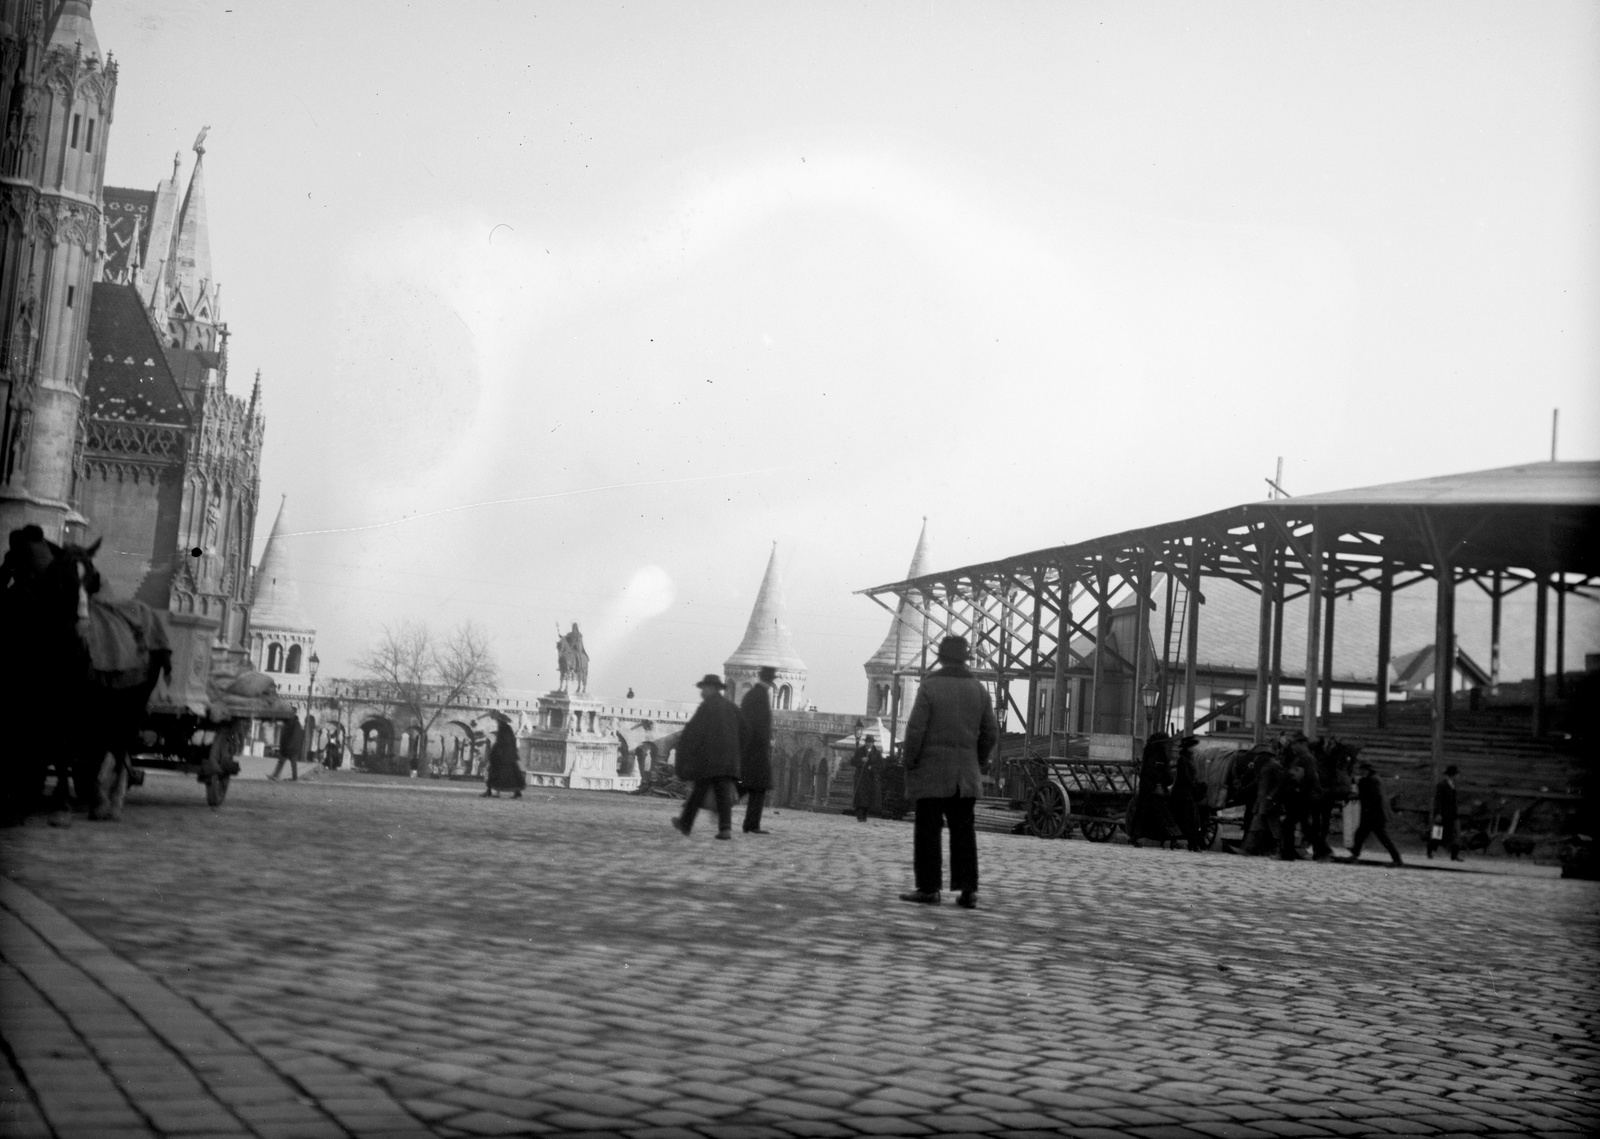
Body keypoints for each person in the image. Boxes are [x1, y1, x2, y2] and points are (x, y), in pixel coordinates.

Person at [899, 636, 998, 909]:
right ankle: (968, 891)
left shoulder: (929, 687)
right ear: (964, 659)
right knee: (964, 831)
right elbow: (990, 732)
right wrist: (976, 759)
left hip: (931, 773)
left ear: (941, 658)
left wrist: (909, 761)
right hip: (965, 776)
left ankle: (929, 889)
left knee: (928, 830)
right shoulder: (979, 690)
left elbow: (916, 729)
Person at [671, 674, 748, 840]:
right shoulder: (732, 708)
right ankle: (724, 828)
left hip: (710, 760)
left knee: (699, 792)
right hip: (729, 762)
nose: (702, 693)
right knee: (722, 794)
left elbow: (693, 733)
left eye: (704, 689)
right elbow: (745, 733)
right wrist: (736, 754)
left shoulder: (706, 707)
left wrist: (688, 756)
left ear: (712, 689)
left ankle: (685, 823)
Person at [1128, 731, 1183, 848]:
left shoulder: (1150, 756)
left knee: (1142, 815)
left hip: (1147, 790)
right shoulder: (1159, 758)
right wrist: (1167, 778)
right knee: (1165, 817)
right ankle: (1172, 839)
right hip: (1155, 792)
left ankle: (1134, 836)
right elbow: (1160, 774)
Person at [738, 666, 776, 834]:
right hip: (757, 750)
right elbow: (759, 725)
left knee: (751, 786)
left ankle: (751, 824)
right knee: (757, 787)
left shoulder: (752, 694)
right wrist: (766, 742)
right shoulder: (760, 696)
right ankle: (752, 824)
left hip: (750, 749)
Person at [1345, 762, 1403, 866]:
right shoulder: (1373, 778)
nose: (1360, 771)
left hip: (1374, 815)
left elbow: (1374, 797)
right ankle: (1354, 855)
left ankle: (1397, 859)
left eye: (1362, 769)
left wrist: (1361, 801)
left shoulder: (1371, 780)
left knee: (1381, 838)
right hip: (1373, 814)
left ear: (1366, 770)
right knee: (1360, 835)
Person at [1241, 744, 1285, 856]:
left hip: (1271, 803)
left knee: (1275, 829)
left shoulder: (1275, 766)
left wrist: (1271, 795)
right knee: (1255, 827)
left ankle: (1282, 850)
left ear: (1266, 755)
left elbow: (1280, 783)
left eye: (1259, 755)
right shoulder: (1264, 766)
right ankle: (1248, 849)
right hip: (1262, 803)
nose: (1257, 758)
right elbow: (1258, 781)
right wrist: (1246, 787)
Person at [1171, 735, 1206, 851]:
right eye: (1192, 746)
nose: (1193, 748)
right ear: (1187, 748)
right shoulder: (1183, 760)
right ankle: (1193, 843)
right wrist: (1195, 785)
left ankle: (1194, 843)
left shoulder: (1190, 759)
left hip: (1188, 793)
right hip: (1182, 794)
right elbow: (1185, 777)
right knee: (1190, 819)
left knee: (1194, 819)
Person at [482, 718, 525, 799]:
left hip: (502, 758)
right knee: (511, 775)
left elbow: (501, 743)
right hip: (508, 757)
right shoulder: (507, 730)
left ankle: (489, 791)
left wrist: (495, 753)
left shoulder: (504, 729)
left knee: (496, 773)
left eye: (498, 721)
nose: (497, 723)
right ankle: (516, 792)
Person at [1428, 764, 1462, 861]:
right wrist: (1438, 813)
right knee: (1437, 834)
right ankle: (1430, 851)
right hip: (1443, 814)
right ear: (1452, 775)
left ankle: (1454, 855)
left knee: (1456, 834)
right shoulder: (1442, 785)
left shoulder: (1453, 785)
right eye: (1456, 774)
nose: (1458, 776)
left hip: (1453, 814)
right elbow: (1438, 800)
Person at [851, 734, 884, 822]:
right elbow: (853, 761)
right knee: (860, 797)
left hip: (871, 778)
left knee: (869, 798)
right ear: (865, 742)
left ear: (873, 743)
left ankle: (865, 815)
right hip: (861, 778)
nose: (869, 744)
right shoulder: (860, 751)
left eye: (871, 742)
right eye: (868, 742)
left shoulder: (877, 753)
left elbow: (881, 765)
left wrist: (872, 768)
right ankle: (860, 816)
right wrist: (861, 760)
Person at [269, 712, 304, 781]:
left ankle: (276, 775)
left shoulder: (292, 724)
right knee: (292, 762)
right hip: (293, 747)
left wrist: (287, 745)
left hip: (289, 747)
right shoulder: (296, 724)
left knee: (283, 761)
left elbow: (290, 736)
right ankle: (294, 777)